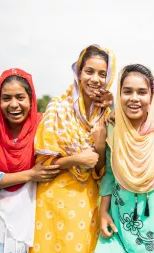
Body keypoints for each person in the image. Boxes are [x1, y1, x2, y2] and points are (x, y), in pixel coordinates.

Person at [0, 68, 61, 253]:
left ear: (31, 100)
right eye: (6, 98)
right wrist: (30, 174)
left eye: (20, 97)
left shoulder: (44, 127)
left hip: (35, 212)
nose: (13, 104)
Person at [30, 44, 115, 253]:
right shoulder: (58, 107)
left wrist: (100, 144)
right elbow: (43, 165)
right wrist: (76, 159)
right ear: (78, 72)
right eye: (89, 71)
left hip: (88, 201)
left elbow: (102, 170)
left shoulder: (106, 115)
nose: (95, 79)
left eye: (102, 74)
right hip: (53, 197)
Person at [95, 64, 154, 252]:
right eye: (127, 92)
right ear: (119, 94)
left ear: (151, 96)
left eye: (141, 92)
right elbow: (109, 174)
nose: (134, 98)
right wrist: (103, 211)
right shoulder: (113, 130)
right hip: (121, 217)